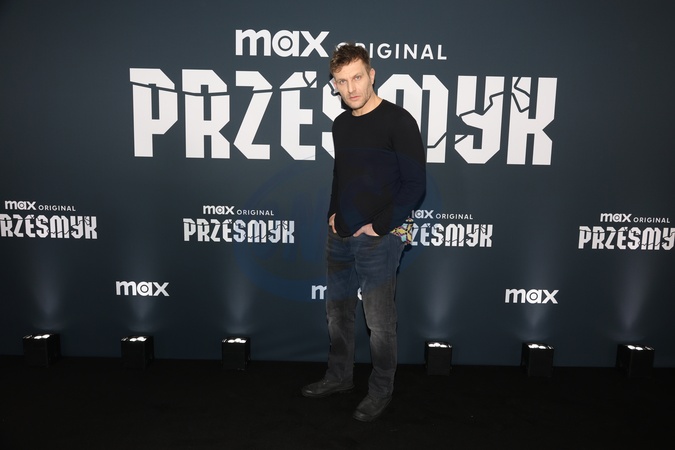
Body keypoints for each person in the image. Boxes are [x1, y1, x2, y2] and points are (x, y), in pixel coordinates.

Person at [301, 43, 426, 422]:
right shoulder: (341, 124)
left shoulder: (398, 121)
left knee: (379, 323)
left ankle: (381, 390)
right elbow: (340, 174)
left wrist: (380, 227)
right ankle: (339, 377)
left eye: (357, 77)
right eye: (341, 81)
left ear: (371, 75)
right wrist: (333, 215)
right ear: (334, 85)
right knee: (337, 315)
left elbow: (415, 185)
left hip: (380, 239)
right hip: (339, 235)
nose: (351, 88)